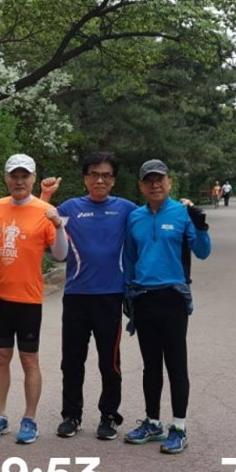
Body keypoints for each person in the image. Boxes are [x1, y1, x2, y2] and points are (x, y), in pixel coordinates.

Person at [39, 152, 136, 440]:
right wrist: (45, 196)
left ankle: (109, 415)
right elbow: (40, 224)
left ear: (113, 180)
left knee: (110, 362)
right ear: (85, 178)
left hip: (110, 296)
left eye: (106, 175)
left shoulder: (126, 209)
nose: (99, 180)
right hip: (76, 296)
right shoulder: (70, 208)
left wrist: (180, 208)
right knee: (71, 361)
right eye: (94, 174)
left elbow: (152, 217)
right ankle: (71, 415)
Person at [0, 155, 67, 444]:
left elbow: (61, 254)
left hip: (28, 298)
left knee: (29, 360)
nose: (18, 181)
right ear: (6, 178)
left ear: (33, 179)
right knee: (0, 358)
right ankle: (0, 416)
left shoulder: (44, 210)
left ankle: (30, 419)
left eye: (24, 176)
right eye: (13, 176)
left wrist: (59, 226)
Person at [123, 159, 211, 455]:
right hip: (143, 297)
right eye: (149, 180)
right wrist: (127, 292)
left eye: (160, 179)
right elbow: (130, 257)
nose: (155, 185)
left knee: (176, 364)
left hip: (173, 297)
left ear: (169, 182)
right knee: (150, 366)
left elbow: (203, 252)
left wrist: (200, 227)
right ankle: (152, 422)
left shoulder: (182, 213)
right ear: (141, 186)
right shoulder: (135, 217)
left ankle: (179, 427)